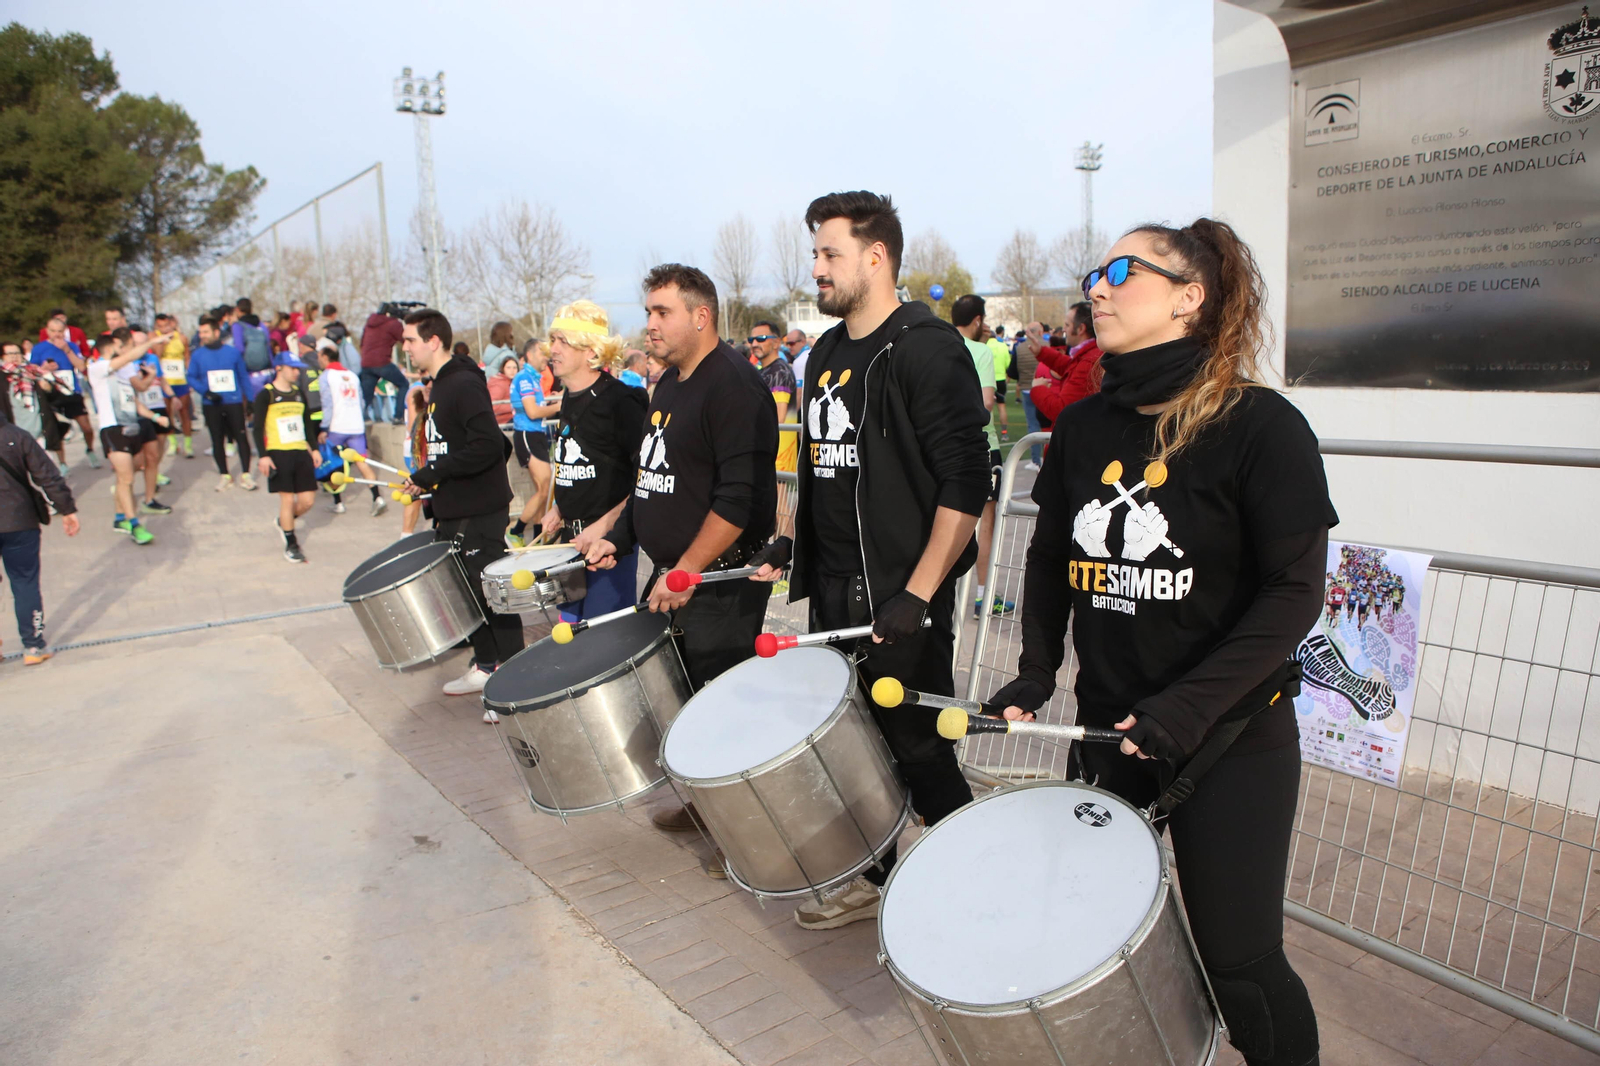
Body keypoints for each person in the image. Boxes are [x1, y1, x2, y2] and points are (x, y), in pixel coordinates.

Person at [988, 219, 1334, 1066]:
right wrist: (1034, 671)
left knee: (1240, 965)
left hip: (1228, 741)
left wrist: (1189, 705)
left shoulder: (1262, 426)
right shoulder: (1081, 429)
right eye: (1092, 274)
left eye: (1120, 271)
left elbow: (1296, 593)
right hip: (1110, 734)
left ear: (1189, 298)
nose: (1096, 288)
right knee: (1093, 941)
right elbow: (1050, 558)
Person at [751, 190, 990, 929]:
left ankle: (977, 879)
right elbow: (821, 468)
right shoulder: (823, 352)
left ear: (876, 256)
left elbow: (965, 483)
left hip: (897, 596)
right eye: (816, 254)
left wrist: (917, 595)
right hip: (832, 592)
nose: (816, 269)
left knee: (918, 749)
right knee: (856, 748)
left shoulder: (923, 347)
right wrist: (792, 538)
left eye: (830, 254)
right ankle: (873, 875)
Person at [583, 266, 777, 870]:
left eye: (661, 312)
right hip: (676, 575)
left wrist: (686, 571)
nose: (649, 325)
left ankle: (747, 830)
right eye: (648, 313)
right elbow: (653, 482)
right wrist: (619, 536)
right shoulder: (667, 385)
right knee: (685, 703)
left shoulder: (735, 388)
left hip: (719, 582)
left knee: (726, 708)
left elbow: (738, 503)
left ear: (701, 316)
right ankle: (704, 804)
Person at [399, 310, 525, 700]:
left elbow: (489, 445)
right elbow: (477, 447)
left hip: (479, 512)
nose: (405, 348)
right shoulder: (439, 386)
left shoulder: (462, 384)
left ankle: (514, 683)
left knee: (491, 595)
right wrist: (433, 481)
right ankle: (486, 667)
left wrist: (433, 474)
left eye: (410, 341)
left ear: (433, 340)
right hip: (455, 507)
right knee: (465, 596)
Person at [538, 301, 647, 613]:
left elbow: (646, 479)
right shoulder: (569, 397)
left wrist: (604, 524)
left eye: (562, 342)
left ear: (590, 351)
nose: (552, 350)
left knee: (604, 643)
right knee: (570, 634)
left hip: (608, 545)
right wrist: (559, 508)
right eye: (552, 340)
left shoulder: (620, 402)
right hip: (571, 544)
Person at [0, 385, 80, 664]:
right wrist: (67, 509)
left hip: (16, 522)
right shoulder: (16, 436)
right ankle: (33, 646)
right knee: (24, 582)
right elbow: (48, 475)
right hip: (19, 521)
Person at [951, 295, 1010, 617]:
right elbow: (987, 403)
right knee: (984, 525)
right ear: (978, 320)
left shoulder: (941, 346)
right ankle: (984, 597)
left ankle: (940, 592)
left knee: (947, 520)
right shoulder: (981, 351)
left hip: (943, 448)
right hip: (980, 447)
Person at [88, 328, 170, 545]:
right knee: (127, 479)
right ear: (113, 345)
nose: (127, 350)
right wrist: (155, 340)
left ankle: (119, 518)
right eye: (122, 346)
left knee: (126, 476)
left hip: (131, 427)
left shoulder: (121, 373)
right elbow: (131, 356)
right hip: (113, 430)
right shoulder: (97, 368)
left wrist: (155, 417)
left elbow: (134, 402)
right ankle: (134, 525)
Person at [251, 351, 317, 562]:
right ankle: (291, 543)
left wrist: (314, 448)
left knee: (307, 501)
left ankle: (283, 522)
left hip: (300, 452)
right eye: (292, 368)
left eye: (298, 369)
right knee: (287, 499)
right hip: (279, 453)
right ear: (279, 368)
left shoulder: (299, 393)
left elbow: (307, 423)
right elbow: (257, 428)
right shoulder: (266, 394)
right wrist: (263, 456)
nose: (296, 372)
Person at [315, 338, 388, 517]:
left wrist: (324, 428)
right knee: (362, 462)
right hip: (356, 426)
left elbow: (328, 404)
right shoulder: (353, 375)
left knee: (334, 464)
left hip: (337, 426)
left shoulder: (326, 377)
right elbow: (361, 402)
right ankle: (377, 498)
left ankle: (338, 503)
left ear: (325, 357)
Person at [188, 316, 257, 491]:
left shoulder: (232, 352)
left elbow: (242, 376)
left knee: (241, 437)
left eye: (206, 332)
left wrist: (249, 399)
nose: (202, 335)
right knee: (217, 439)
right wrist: (206, 392)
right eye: (200, 332)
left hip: (232, 402)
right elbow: (190, 377)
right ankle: (225, 475)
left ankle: (246, 475)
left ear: (216, 332)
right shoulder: (197, 355)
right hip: (212, 404)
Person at [504, 344, 561, 548]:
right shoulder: (524, 378)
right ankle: (516, 530)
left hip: (536, 434)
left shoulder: (534, 378)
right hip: (527, 434)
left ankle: (538, 538)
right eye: (541, 352)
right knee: (544, 488)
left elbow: (538, 410)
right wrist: (560, 404)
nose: (546, 356)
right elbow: (533, 413)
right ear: (528, 354)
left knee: (542, 490)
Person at [31, 316, 98, 469]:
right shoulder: (39, 348)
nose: (57, 335)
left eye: (60, 331)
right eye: (53, 331)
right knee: (57, 428)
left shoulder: (72, 346)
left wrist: (67, 350)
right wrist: (44, 368)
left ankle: (90, 449)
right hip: (51, 393)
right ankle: (62, 463)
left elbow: (81, 367)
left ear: (65, 331)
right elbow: (32, 370)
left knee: (86, 427)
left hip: (71, 391)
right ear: (47, 331)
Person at [1030, 300, 1104, 425]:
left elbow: (1062, 411)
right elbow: (1071, 366)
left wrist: (1039, 389)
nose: (1064, 329)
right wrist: (1041, 352)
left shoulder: (1089, 361)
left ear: (1080, 329)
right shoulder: (1090, 354)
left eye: (1067, 325)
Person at [153, 314, 195, 458]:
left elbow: (187, 358)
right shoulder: (155, 338)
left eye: (166, 325)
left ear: (172, 324)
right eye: (160, 326)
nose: (164, 329)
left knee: (184, 412)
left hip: (180, 380)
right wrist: (163, 343)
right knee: (167, 413)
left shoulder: (182, 338)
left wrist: (190, 378)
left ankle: (188, 445)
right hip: (164, 382)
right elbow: (156, 356)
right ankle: (173, 443)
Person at [400, 375, 432, 536]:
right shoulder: (416, 391)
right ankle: (405, 536)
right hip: (418, 450)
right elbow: (414, 426)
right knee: (416, 490)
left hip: (427, 449)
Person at [1014, 320, 1047, 468]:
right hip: (1045, 386)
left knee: (1033, 425)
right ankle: (1046, 459)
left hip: (1027, 387)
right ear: (1040, 332)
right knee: (1048, 424)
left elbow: (1013, 369)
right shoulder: (1048, 346)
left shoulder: (1019, 347)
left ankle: (1035, 461)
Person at [984, 323, 1010, 440]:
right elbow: (1007, 364)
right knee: (1001, 406)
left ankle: (987, 432)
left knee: (986, 405)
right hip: (1000, 379)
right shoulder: (1003, 346)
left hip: (987, 378)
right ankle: (1004, 432)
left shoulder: (984, 346)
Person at [487, 355, 518, 427]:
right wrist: (514, 406)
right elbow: (493, 405)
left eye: (514, 368)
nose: (512, 371)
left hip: (510, 418)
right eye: (508, 368)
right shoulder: (500, 384)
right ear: (503, 369)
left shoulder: (511, 382)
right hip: (504, 421)